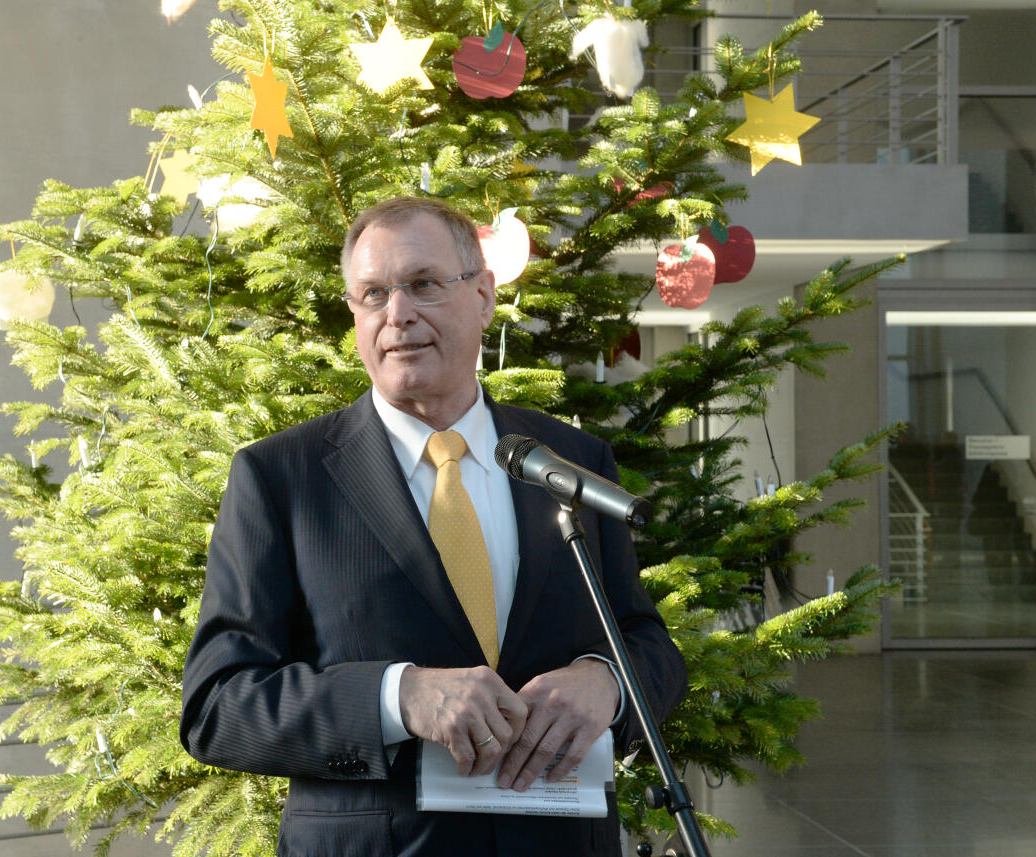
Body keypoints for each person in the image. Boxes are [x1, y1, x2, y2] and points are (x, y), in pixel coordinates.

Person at [180, 196, 687, 856]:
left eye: (422, 284)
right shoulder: (282, 477)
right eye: (372, 294)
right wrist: (398, 696)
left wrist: (608, 683)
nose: (398, 314)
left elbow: (649, 642)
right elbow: (218, 706)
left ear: (482, 296)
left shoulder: (571, 462)